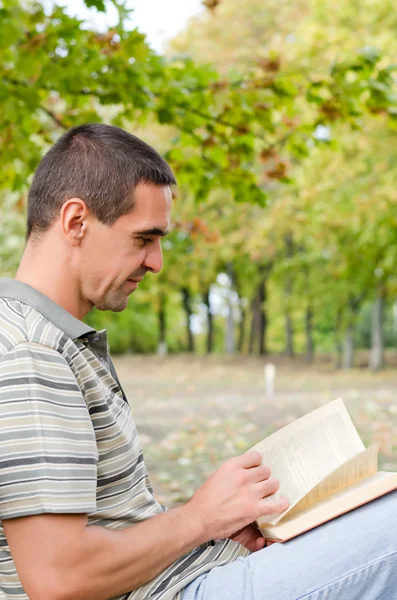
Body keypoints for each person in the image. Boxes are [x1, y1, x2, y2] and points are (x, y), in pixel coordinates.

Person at [0, 123, 396, 600]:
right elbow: (58, 579)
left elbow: (108, 526)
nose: (157, 262)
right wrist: (198, 517)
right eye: (144, 239)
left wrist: (212, 534)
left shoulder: (50, 336)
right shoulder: (31, 353)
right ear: (76, 221)